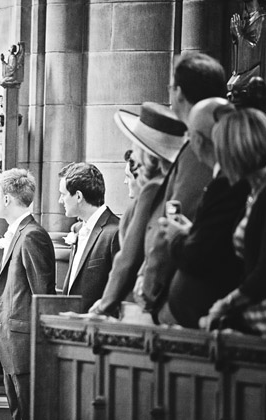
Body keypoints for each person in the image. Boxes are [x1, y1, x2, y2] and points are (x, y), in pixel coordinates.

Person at [137, 52, 227, 319]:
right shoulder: (199, 146)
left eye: (171, 86)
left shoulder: (199, 151)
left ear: (178, 92)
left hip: (186, 303)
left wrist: (150, 291)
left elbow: (176, 223)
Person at [156, 98, 250, 328]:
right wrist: (191, 231)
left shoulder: (229, 183)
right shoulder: (227, 181)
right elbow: (217, 240)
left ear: (196, 140)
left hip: (219, 323)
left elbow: (203, 256)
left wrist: (177, 237)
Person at [88, 102, 185, 319]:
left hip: (141, 305)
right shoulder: (174, 182)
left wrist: (104, 304)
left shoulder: (154, 188)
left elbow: (129, 258)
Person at [0, 168, 55, 420]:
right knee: (18, 412)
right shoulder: (18, 232)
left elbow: (43, 295)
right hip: (9, 340)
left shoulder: (32, 235)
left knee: (29, 413)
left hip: (23, 343)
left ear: (7, 199)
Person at [199, 108, 266, 336]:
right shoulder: (254, 191)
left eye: (221, 152)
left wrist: (224, 306)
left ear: (235, 151)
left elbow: (262, 273)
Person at [59, 162, 120, 312]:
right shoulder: (79, 229)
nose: (60, 200)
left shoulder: (115, 232)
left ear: (78, 196)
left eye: (63, 194)